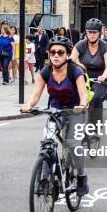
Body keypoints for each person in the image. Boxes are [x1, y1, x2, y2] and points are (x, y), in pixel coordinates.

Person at [21, 36, 90, 197]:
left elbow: (83, 95)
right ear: (49, 54)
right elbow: (36, 94)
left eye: (60, 52)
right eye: (53, 52)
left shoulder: (75, 71)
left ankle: (81, 177)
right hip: (55, 110)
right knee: (47, 143)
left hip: (75, 110)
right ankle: (45, 178)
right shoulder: (46, 72)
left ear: (67, 55)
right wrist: (29, 105)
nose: (56, 55)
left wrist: (81, 106)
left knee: (73, 143)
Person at [71, 18, 107, 129]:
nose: (92, 35)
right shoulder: (81, 44)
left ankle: (95, 127)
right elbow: (71, 60)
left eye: (95, 32)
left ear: (99, 33)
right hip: (83, 77)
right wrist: (77, 66)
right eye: (90, 32)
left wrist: (104, 76)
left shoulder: (105, 46)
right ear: (86, 32)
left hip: (100, 78)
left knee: (96, 98)